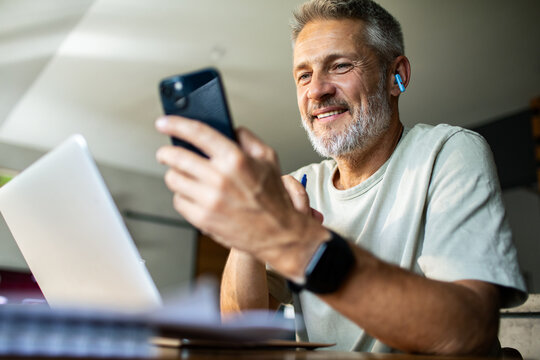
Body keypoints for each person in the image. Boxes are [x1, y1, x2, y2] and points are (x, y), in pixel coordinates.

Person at [155, 0, 527, 355]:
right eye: (304, 75)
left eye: (340, 66)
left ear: (396, 76)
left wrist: (293, 241)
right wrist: (248, 231)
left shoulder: (448, 151)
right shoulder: (298, 186)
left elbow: (467, 332)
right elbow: (241, 330)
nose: (316, 90)